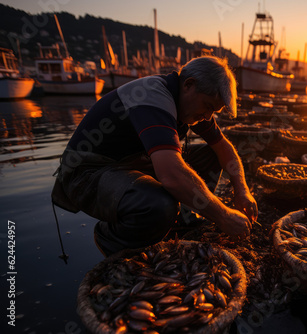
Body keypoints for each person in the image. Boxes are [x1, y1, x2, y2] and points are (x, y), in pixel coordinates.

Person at [51, 56, 257, 256]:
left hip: (132, 163)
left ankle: (181, 221)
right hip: (87, 172)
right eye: (208, 107)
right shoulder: (153, 97)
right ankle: (112, 239)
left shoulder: (190, 102)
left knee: (210, 154)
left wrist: (242, 191)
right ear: (189, 84)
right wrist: (223, 216)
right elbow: (171, 175)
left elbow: (224, 148)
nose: (207, 116)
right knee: (158, 205)